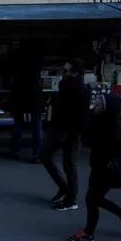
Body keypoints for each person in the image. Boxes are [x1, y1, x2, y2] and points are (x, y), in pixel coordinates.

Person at [69, 92, 121, 241]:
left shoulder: (110, 128)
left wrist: (89, 122)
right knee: (95, 198)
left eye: (100, 103)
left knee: (92, 199)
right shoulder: (105, 121)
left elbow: (90, 141)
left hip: (105, 169)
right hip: (101, 167)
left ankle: (88, 233)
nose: (96, 104)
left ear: (108, 109)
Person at [43, 58, 90, 211]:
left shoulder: (81, 89)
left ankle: (71, 198)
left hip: (70, 132)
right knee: (47, 157)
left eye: (66, 71)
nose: (63, 73)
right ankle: (65, 189)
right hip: (58, 129)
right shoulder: (66, 85)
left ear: (75, 73)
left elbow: (81, 117)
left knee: (69, 165)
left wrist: (74, 135)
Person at [6, 40, 45, 162]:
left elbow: (11, 71)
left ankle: (15, 149)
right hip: (35, 93)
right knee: (37, 124)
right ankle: (37, 153)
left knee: (18, 121)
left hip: (20, 93)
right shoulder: (37, 58)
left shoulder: (17, 57)